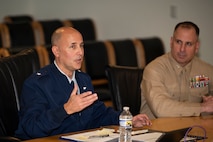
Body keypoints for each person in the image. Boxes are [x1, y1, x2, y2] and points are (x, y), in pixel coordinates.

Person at [15, 27, 152, 140]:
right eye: (73, 47)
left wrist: (127, 121)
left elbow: (98, 113)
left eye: (81, 46)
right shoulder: (37, 83)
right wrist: (66, 110)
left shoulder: (83, 79)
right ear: (56, 51)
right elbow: (31, 128)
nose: (80, 52)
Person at [140, 21, 213, 119]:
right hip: (157, 131)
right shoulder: (154, 70)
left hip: (194, 131)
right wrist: (202, 107)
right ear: (171, 42)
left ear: (197, 47)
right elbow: (161, 109)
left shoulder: (206, 70)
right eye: (178, 42)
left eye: (188, 44)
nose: (182, 49)